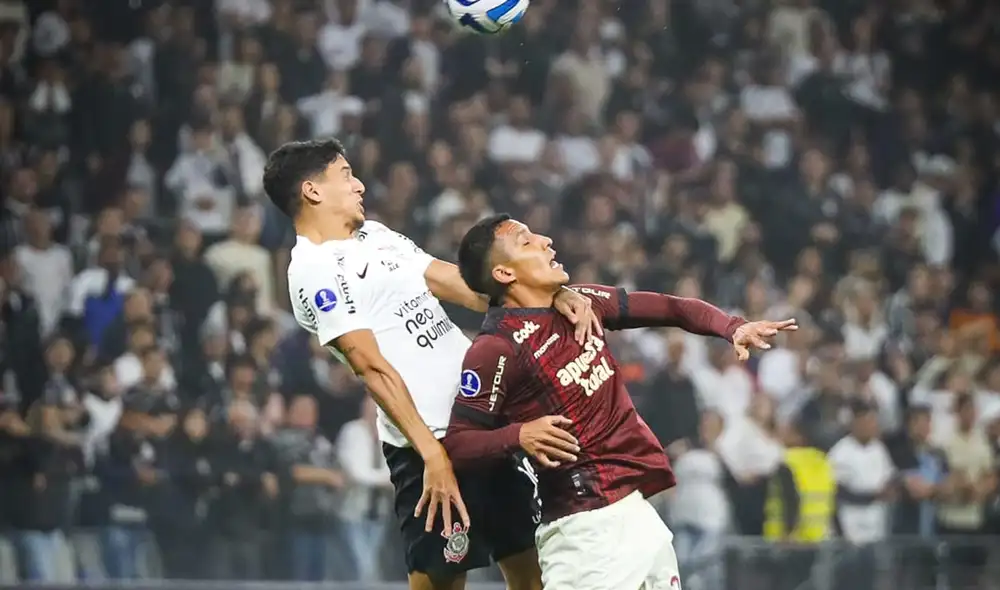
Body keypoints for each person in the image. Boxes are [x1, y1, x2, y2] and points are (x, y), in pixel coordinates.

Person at [262, 138, 599, 590]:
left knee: (535, 575)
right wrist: (432, 457)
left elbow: (460, 284)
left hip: (482, 429)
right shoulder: (312, 271)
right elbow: (370, 367)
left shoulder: (377, 236)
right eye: (345, 175)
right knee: (441, 583)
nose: (359, 184)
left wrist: (547, 295)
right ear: (312, 191)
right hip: (427, 447)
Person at [443, 213, 797, 590]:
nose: (545, 240)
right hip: (584, 531)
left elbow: (671, 308)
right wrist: (519, 436)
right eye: (526, 241)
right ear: (504, 274)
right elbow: (460, 442)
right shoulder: (495, 348)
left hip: (637, 515)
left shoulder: (583, 302)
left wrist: (731, 327)